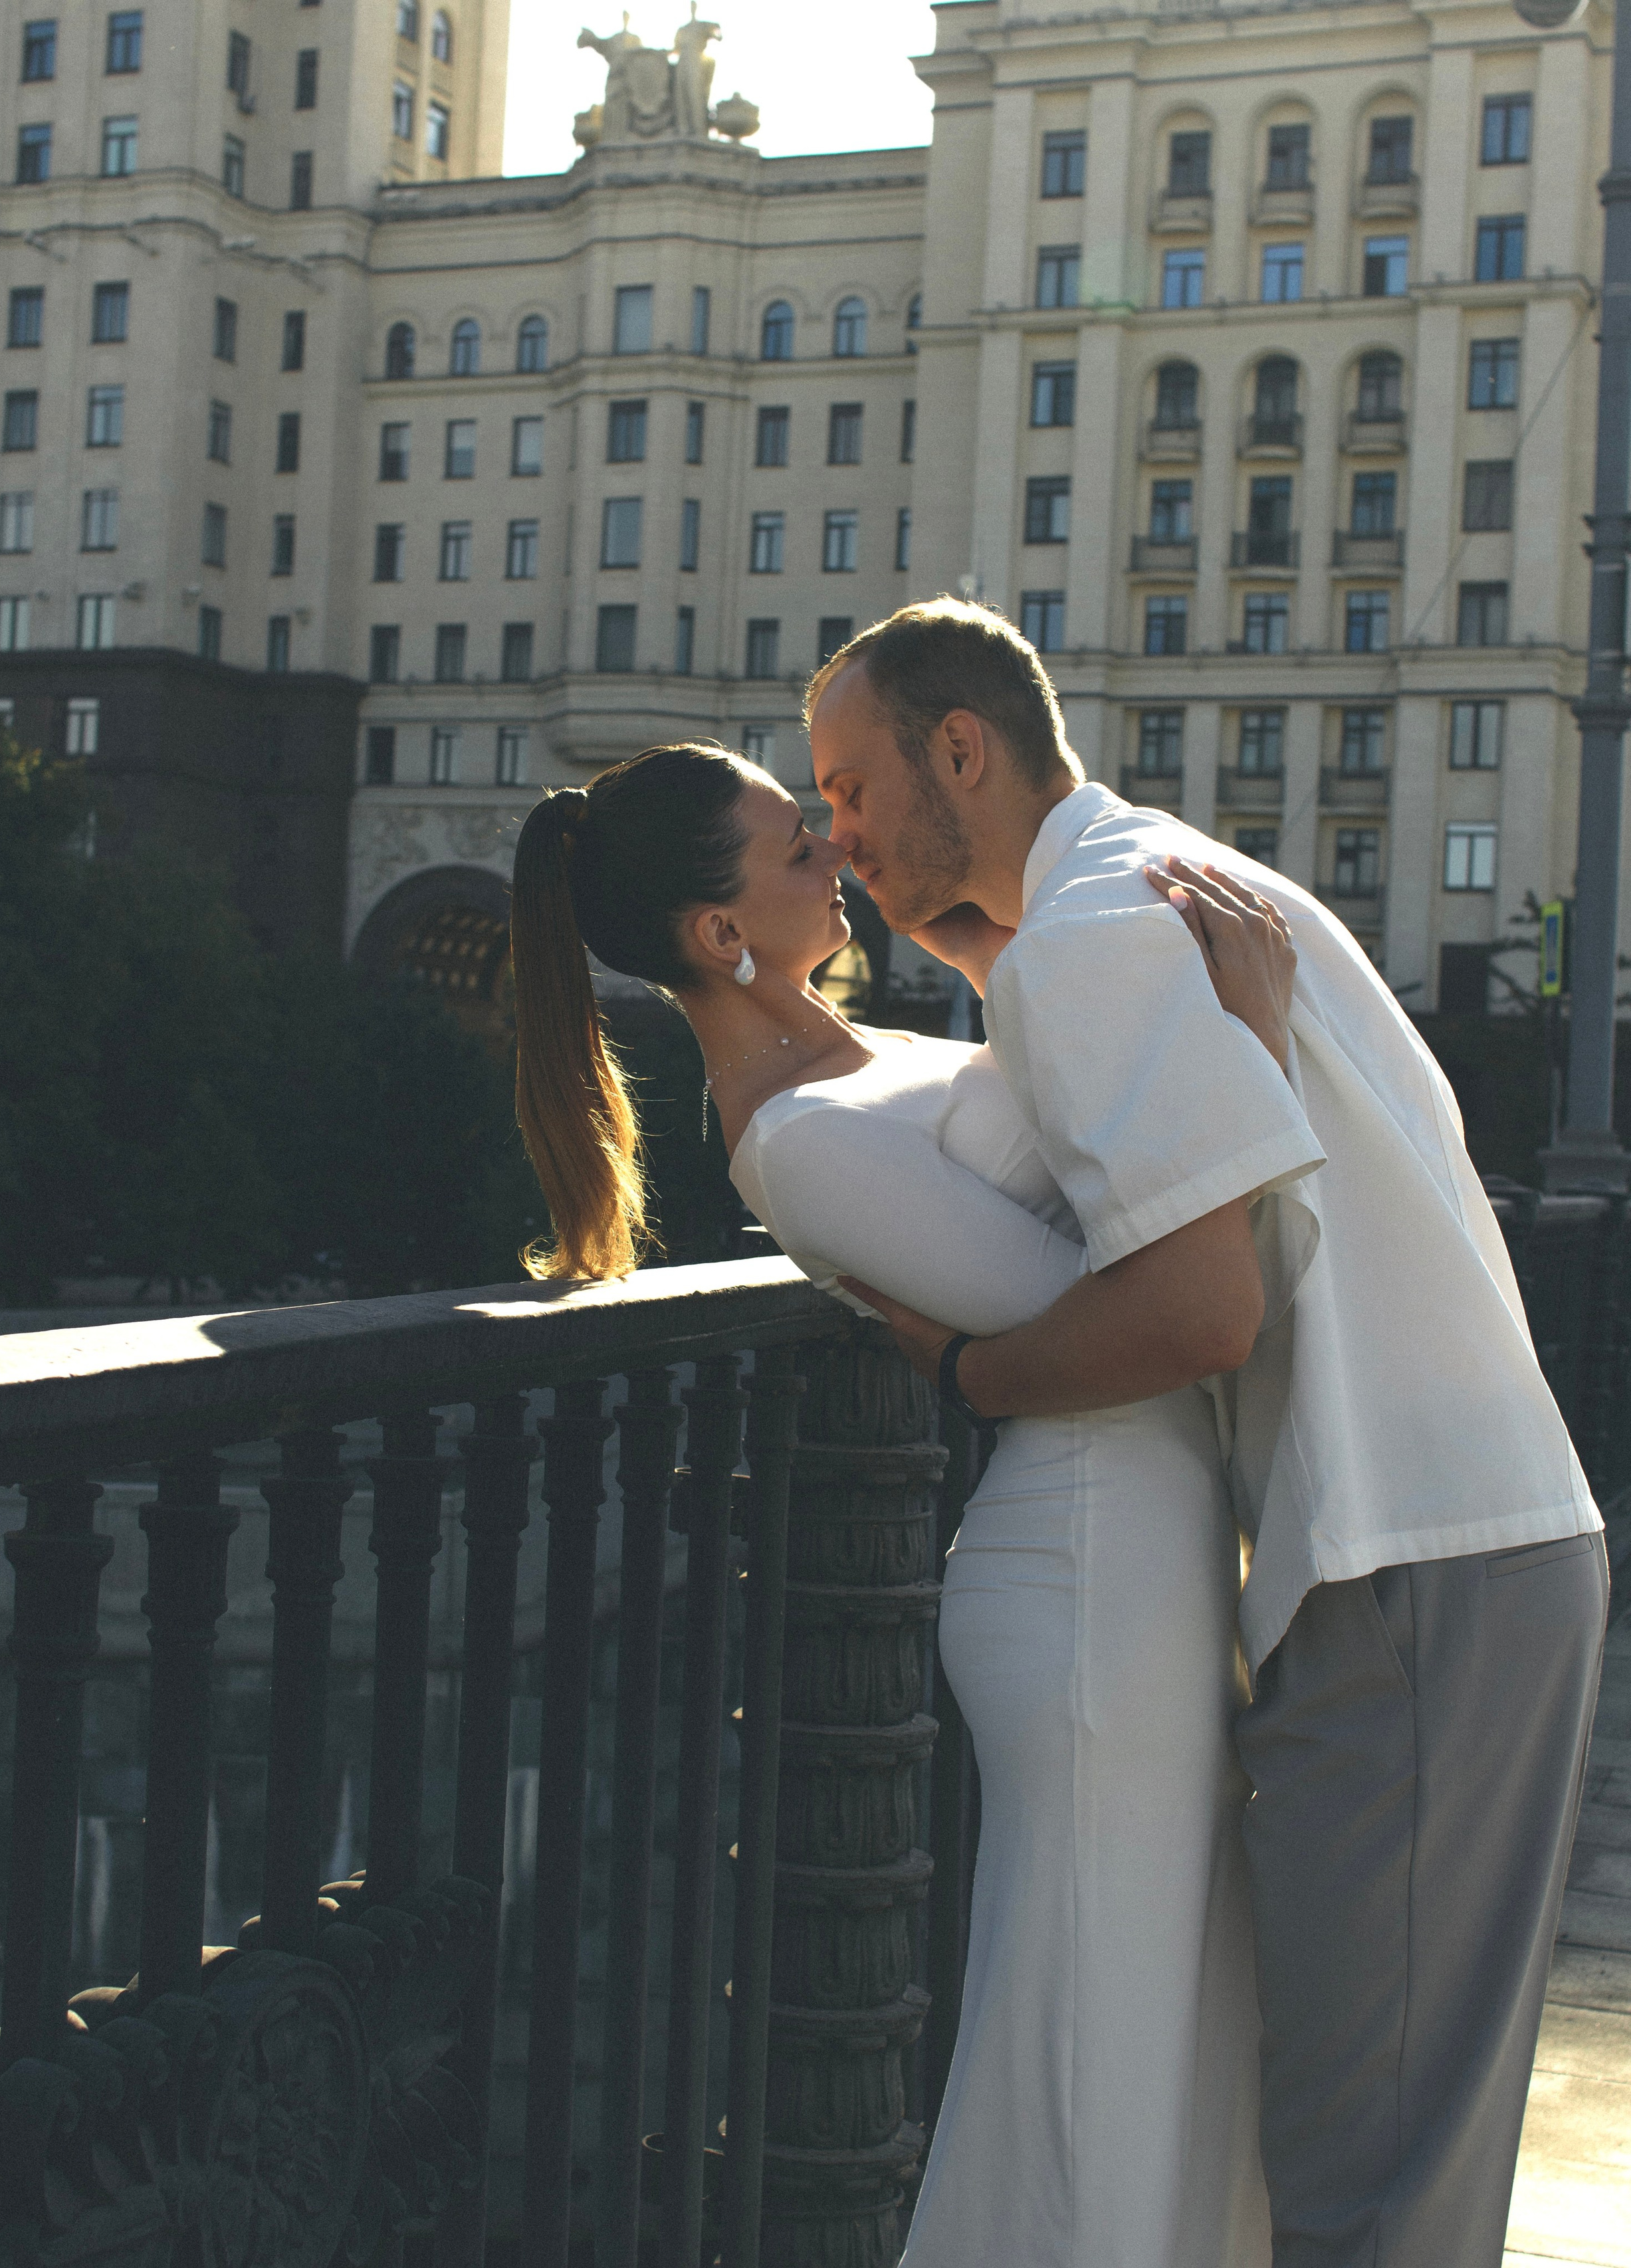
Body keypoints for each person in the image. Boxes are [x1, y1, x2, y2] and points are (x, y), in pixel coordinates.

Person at [806, 597, 1610, 2268]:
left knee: (1359, 2193)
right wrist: (990, 955)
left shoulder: (1095, 938)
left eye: (850, 785)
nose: (835, 833)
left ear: (959, 748)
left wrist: (960, 1371)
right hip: (1470, 1543)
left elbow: (1195, 1318)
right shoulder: (1154, 882)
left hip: (1398, 1566)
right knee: (1401, 2162)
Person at [506, 740, 1296, 2264]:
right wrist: (1241, 1052)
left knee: (1169, 2010)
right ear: (717, 937)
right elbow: (1101, 1322)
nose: (836, 851)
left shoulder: (859, 1066)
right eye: (798, 846)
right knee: (1092, 2039)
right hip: (1080, 1584)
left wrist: (994, 950)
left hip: (1145, 1556)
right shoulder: (801, 1146)